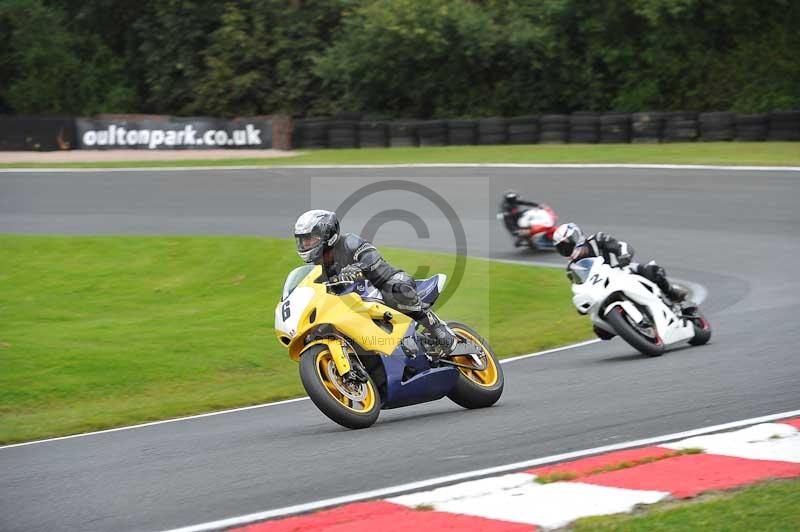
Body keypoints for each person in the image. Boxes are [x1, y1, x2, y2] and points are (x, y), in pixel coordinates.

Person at [293, 209, 457, 354]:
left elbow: (370, 256)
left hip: (384, 282)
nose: (305, 244)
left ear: (327, 235)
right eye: (303, 240)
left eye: (310, 240)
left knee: (395, 290)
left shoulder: (348, 242)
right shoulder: (319, 268)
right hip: (355, 303)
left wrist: (358, 268)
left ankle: (438, 329)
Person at [553, 222, 688, 303]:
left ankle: (671, 293)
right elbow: (579, 287)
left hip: (621, 270)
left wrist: (623, 257)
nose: (567, 249)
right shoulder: (572, 268)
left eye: (568, 245)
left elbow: (619, 245)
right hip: (602, 287)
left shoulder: (597, 239)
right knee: (601, 331)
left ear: (577, 237)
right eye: (562, 248)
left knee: (651, 270)